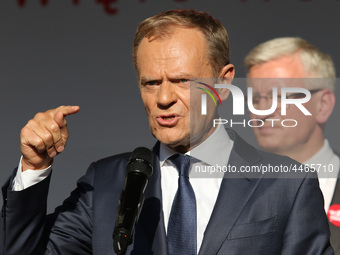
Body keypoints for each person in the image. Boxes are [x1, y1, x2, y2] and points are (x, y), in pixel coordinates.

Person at [1, 10, 333, 255]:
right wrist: (34, 167)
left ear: (224, 81)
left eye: (181, 81)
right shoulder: (106, 182)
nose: (163, 98)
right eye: (151, 83)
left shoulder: (287, 185)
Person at [245, 37, 340, 253]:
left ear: (323, 105)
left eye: (279, 96)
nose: (262, 111)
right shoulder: (232, 190)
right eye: (256, 99)